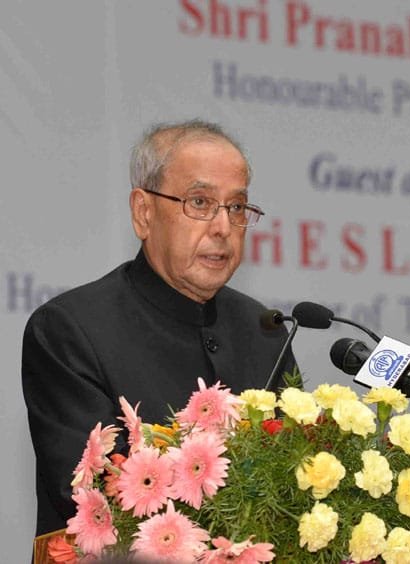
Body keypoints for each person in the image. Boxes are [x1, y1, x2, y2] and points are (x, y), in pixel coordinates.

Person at [21, 120, 297, 537]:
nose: (223, 226)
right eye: (200, 202)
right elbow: (90, 497)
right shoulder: (71, 329)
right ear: (143, 212)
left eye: (237, 207)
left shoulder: (264, 331)